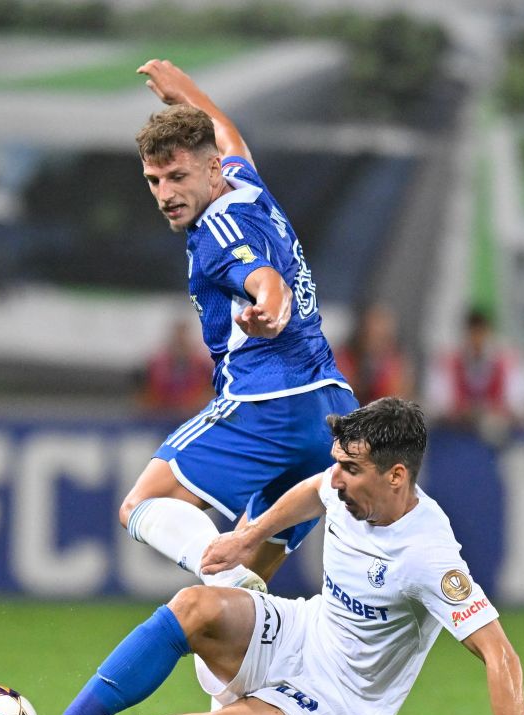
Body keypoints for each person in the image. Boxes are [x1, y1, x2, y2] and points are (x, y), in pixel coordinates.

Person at [24, 398, 524, 715]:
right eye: (337, 461)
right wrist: (245, 538)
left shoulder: (429, 555)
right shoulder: (345, 487)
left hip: (329, 705)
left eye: (351, 468)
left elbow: (501, 653)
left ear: (397, 476)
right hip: (303, 631)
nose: (336, 478)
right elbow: (311, 493)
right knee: (193, 605)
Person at [119, 59, 357, 592]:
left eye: (177, 177)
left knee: (142, 505)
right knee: (239, 612)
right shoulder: (245, 188)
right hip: (332, 411)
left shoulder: (215, 233)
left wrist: (270, 309)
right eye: (154, 180)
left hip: (266, 403)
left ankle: (214, 567)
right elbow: (228, 135)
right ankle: (246, 638)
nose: (164, 194)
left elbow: (266, 279)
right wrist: (188, 92)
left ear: (207, 172)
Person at [427, 308, 524, 444]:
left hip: (498, 437)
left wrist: (492, 412)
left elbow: (522, 405)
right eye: (473, 334)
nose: (477, 340)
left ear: (489, 333)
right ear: (465, 334)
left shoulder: (509, 362)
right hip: (455, 437)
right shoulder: (446, 362)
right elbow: (436, 405)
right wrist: (465, 413)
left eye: (481, 334)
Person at [334, 303, 416, 404]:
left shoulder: (396, 364)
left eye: (382, 337)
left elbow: (399, 397)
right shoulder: (344, 359)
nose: (375, 342)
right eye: (371, 334)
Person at [139, 319, 215, 416]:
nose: (180, 341)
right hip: (163, 413)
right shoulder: (158, 365)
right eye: (177, 337)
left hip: (193, 412)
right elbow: (148, 392)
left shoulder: (201, 365)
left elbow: (209, 392)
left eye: (183, 337)